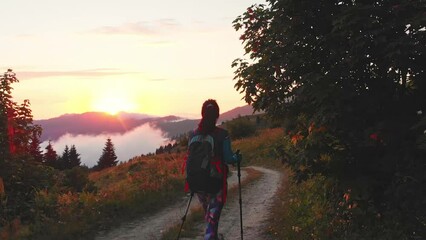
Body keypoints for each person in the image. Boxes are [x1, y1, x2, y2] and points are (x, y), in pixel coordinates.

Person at [186, 99, 241, 240]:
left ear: (202, 114)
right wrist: (238, 158)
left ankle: (214, 236)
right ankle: (211, 236)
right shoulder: (222, 134)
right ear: (217, 115)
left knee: (209, 215)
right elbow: (229, 159)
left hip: (197, 183)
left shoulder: (193, 134)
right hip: (216, 183)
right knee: (212, 218)